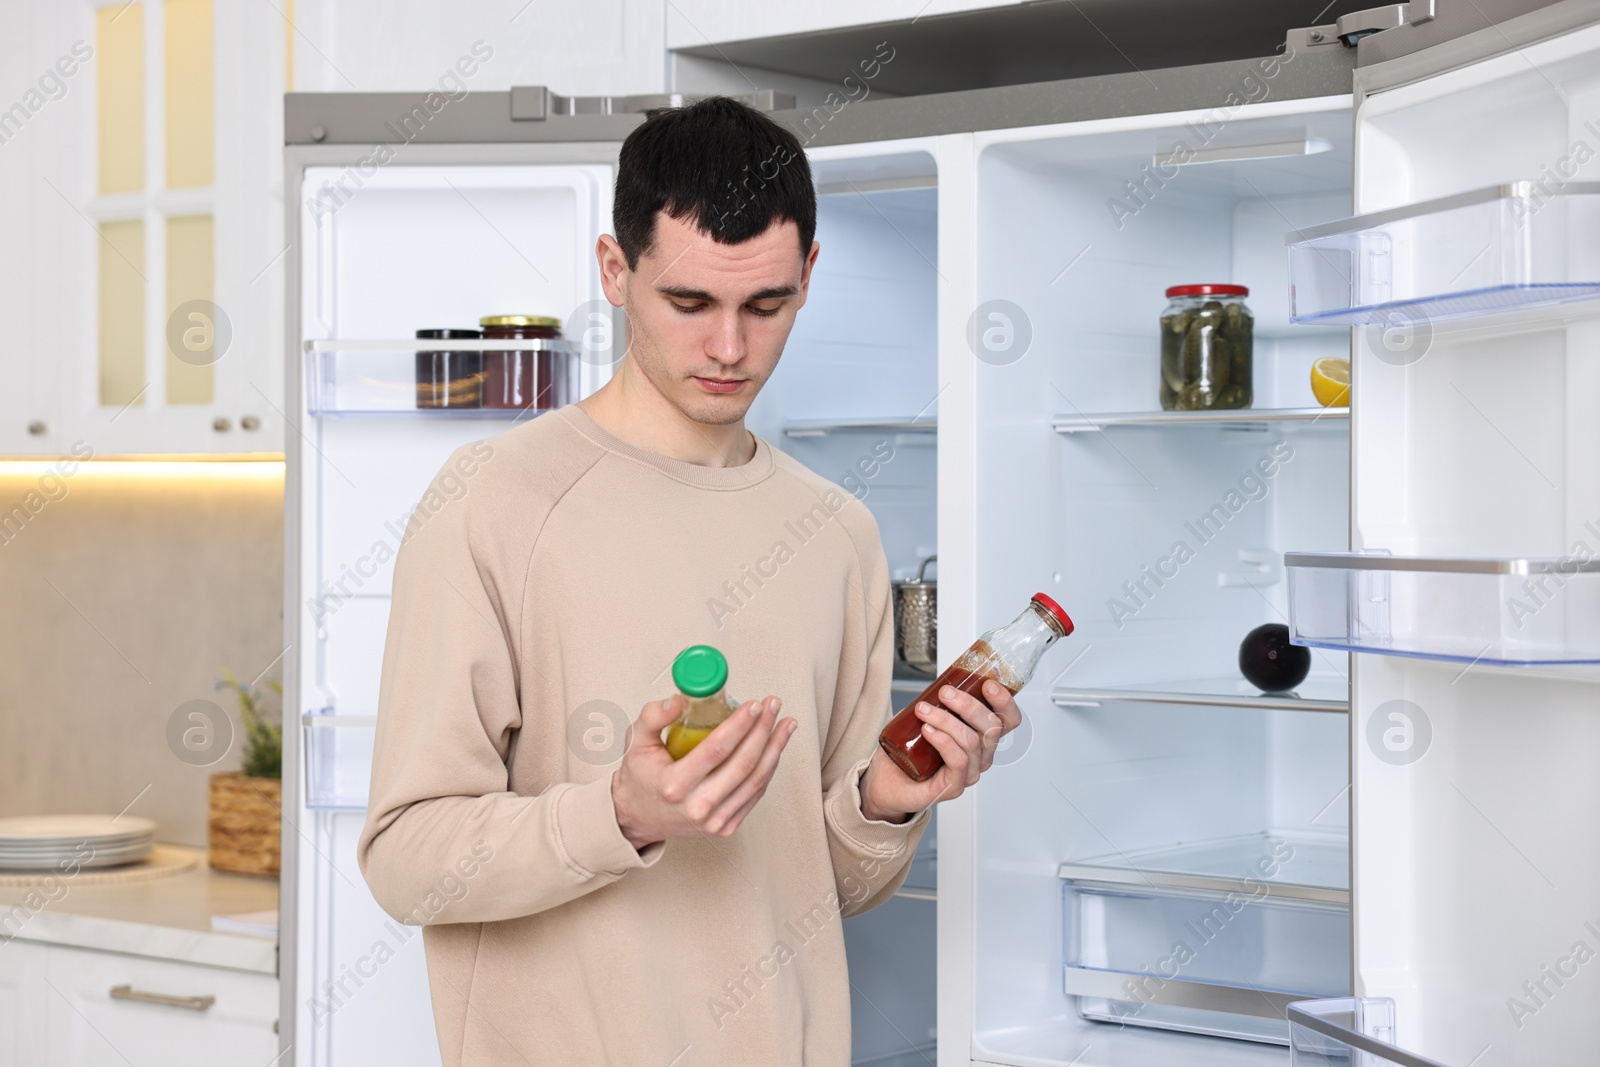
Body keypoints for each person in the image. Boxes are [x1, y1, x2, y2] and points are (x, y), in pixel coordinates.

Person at [358, 96, 1023, 1067]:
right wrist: (621, 811)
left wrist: (887, 797)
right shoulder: (493, 502)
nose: (728, 348)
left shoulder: (838, 532)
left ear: (809, 276)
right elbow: (405, 860)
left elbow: (822, 881)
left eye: (766, 305)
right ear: (615, 271)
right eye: (689, 303)